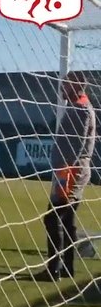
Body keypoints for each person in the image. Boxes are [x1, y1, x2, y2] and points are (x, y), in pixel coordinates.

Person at [41, 71, 95, 281]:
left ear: (77, 86)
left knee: (52, 218)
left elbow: (75, 146)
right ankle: (67, 268)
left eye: (66, 84)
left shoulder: (80, 109)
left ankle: (53, 269)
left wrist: (64, 175)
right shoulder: (80, 106)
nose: (62, 88)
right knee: (67, 220)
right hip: (73, 171)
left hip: (71, 172)